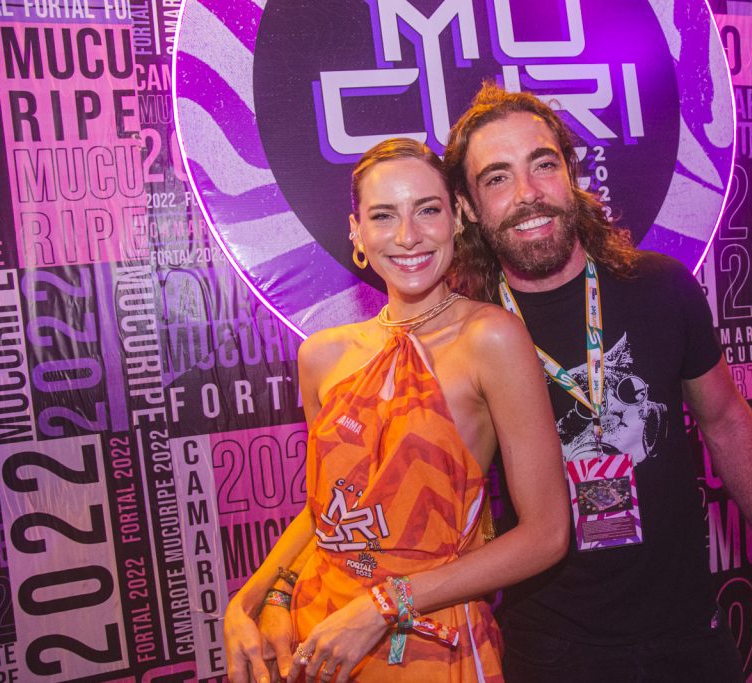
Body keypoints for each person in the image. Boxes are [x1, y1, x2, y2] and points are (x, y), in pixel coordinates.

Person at [437, 83, 752, 681]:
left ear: (571, 174)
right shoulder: (469, 334)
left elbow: (726, 421)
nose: (528, 193)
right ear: (469, 208)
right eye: (497, 178)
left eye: (543, 165)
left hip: (688, 632)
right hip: (551, 648)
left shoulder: (661, 287)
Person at [222, 138, 570, 683]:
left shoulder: (489, 338)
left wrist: (384, 605)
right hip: (322, 637)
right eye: (383, 216)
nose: (408, 235)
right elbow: (328, 511)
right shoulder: (322, 356)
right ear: (357, 232)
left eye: (427, 210)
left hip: (430, 642)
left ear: (457, 218)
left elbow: (546, 535)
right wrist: (254, 599)